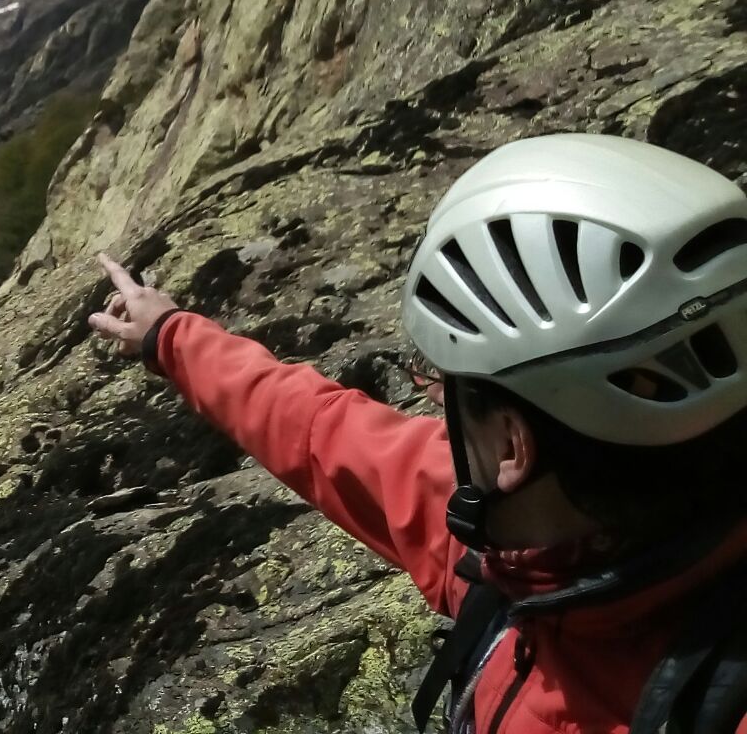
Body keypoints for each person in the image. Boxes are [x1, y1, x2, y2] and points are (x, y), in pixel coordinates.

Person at [88, 133, 747, 733]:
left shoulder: (532, 563)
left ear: (512, 446)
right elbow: (320, 429)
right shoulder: (535, 553)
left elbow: (326, 436)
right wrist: (169, 335)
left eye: (446, 385)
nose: (432, 398)